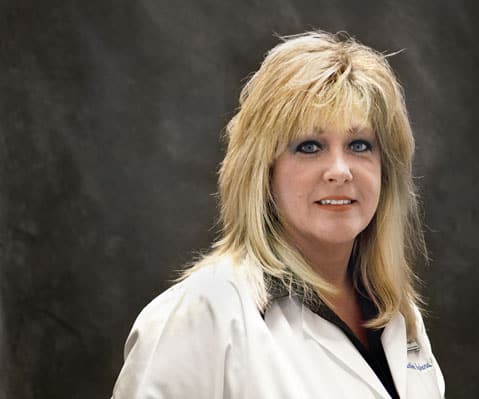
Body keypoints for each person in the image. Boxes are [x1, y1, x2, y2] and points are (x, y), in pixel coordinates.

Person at [111, 31, 445, 399]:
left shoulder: (398, 316)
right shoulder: (205, 313)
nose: (339, 170)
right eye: (309, 146)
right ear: (264, 171)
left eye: (359, 145)